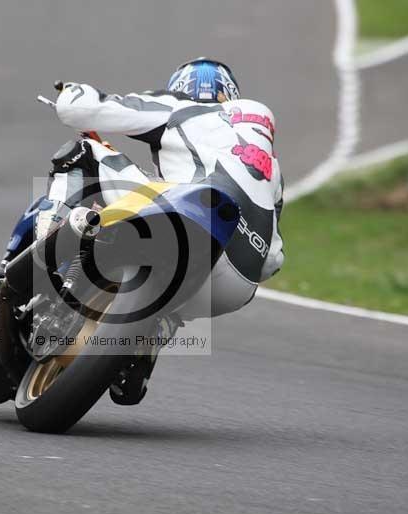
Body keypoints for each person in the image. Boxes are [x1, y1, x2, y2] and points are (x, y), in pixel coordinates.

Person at [43, 58, 285, 403]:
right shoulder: (271, 166)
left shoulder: (178, 107)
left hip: (182, 219)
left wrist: (70, 92)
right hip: (237, 283)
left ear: (181, 87)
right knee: (175, 303)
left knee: (85, 150)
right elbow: (273, 259)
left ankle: (51, 241)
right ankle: (152, 337)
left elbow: (82, 110)